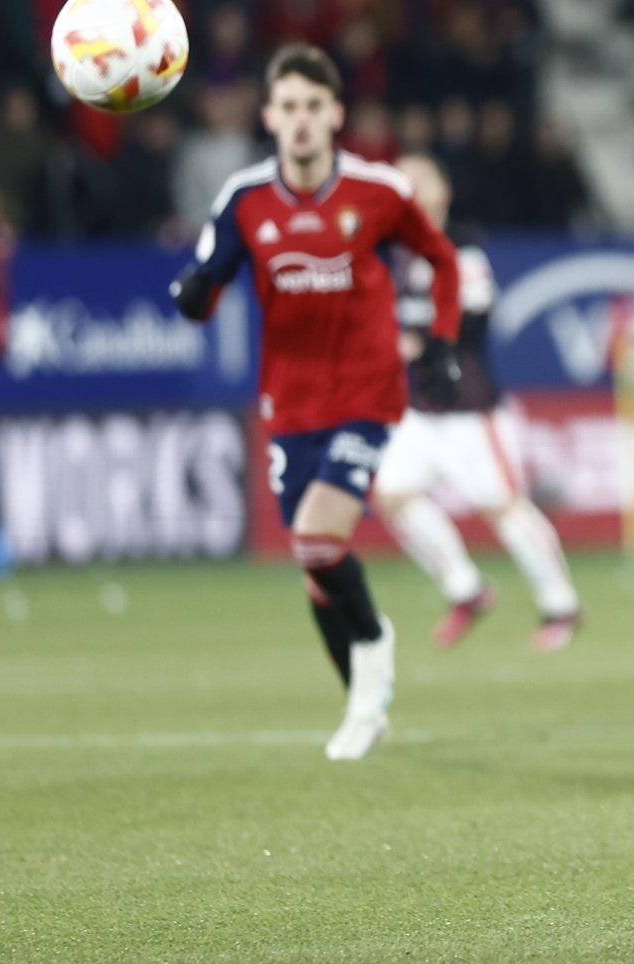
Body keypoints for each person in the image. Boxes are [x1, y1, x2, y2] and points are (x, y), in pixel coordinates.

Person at [171, 45, 463, 761]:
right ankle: (362, 694)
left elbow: (443, 258)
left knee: (316, 540)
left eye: (313, 107)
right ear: (269, 117)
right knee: (316, 570)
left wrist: (443, 341)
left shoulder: (379, 190)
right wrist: (194, 293)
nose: (300, 121)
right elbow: (204, 288)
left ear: (336, 114)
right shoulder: (245, 200)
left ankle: (373, 654)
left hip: (368, 390)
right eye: (288, 108)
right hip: (291, 401)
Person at [373, 154, 583, 651]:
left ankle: (562, 605)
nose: (409, 187)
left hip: (469, 407)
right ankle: (465, 589)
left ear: (442, 190)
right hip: (420, 410)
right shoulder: (394, 249)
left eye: (418, 178)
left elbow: (475, 321)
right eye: (400, 180)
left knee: (504, 508)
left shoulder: (462, 247)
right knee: (391, 494)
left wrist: (418, 343)